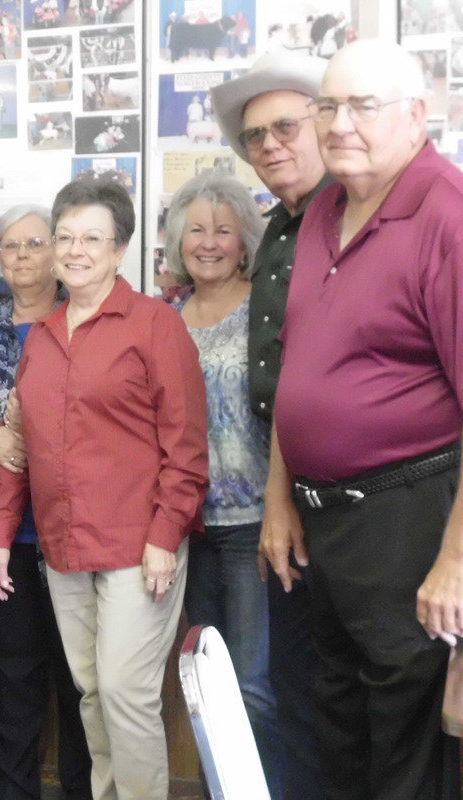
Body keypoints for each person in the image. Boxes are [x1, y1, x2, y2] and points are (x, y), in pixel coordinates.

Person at [270, 40, 463, 799]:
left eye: (363, 105)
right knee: (341, 729)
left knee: (406, 750)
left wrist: (460, 554)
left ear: (416, 115)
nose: (340, 123)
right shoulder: (325, 209)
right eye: (328, 105)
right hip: (333, 521)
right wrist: (281, 500)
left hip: (417, 513)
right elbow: (301, 371)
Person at [0, 179, 208, 800]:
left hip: (139, 546)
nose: (75, 250)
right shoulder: (45, 336)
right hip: (63, 548)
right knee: (90, 691)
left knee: (124, 692)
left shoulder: (155, 325)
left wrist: (167, 537)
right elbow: (18, 444)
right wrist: (2, 537)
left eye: (92, 238)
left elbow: (186, 446)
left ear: (120, 249)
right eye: (66, 237)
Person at [210, 50, 332, 800]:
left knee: (324, 690)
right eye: (255, 136)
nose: (271, 145)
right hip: (288, 495)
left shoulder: (349, 215)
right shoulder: (282, 232)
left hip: (356, 497)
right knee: (294, 681)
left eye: (286, 126)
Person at [0, 205, 90, 800]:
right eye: (10, 246)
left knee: (82, 679)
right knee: (11, 674)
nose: (23, 255)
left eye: (35, 242)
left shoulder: (87, 321)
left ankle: (84, 791)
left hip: (78, 532)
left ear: (57, 249)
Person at [163, 172, 290, 798]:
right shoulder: (164, 318)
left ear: (245, 241)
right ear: (176, 241)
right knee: (207, 683)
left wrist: (279, 510)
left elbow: (292, 411)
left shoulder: (267, 308)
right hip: (188, 526)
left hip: (252, 526)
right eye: (196, 230)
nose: (208, 242)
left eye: (222, 230)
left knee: (253, 686)